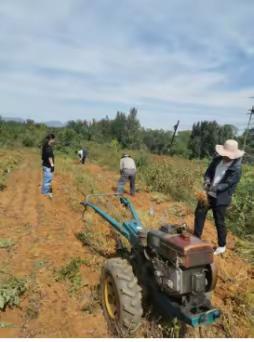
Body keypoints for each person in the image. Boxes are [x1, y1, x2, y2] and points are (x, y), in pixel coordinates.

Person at [194, 139, 244, 255]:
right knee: (199, 214)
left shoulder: (236, 168)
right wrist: (207, 181)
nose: (225, 157)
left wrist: (214, 188)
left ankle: (222, 246)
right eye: (224, 154)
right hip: (207, 194)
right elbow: (208, 173)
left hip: (221, 198)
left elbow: (227, 184)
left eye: (228, 155)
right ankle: (196, 238)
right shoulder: (217, 160)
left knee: (219, 221)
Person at [41, 133, 55, 198]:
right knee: (48, 179)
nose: (54, 140)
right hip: (48, 166)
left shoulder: (45, 145)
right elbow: (50, 157)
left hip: (45, 164)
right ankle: (46, 193)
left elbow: (43, 156)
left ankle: (44, 191)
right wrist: (52, 166)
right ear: (51, 139)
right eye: (53, 139)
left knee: (46, 179)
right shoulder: (48, 148)